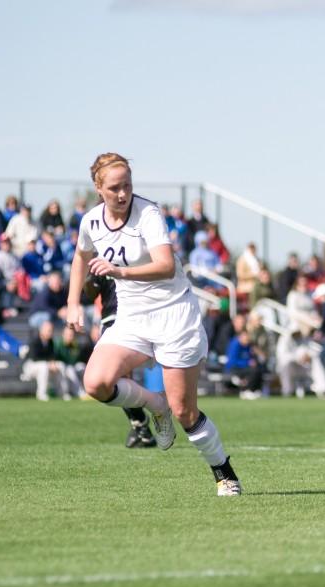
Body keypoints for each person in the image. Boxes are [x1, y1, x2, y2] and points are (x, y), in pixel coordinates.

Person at [66, 152, 242, 495]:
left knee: (185, 411)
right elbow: (79, 257)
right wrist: (72, 303)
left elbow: (165, 265)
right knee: (96, 383)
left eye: (127, 185)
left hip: (174, 314)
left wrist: (120, 272)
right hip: (133, 316)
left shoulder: (148, 213)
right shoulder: (91, 221)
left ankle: (224, 473)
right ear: (98, 189)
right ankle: (153, 404)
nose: (123, 193)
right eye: (115, 187)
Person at [83, 270, 157, 448]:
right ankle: (141, 423)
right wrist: (87, 280)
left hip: (136, 318)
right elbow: (92, 293)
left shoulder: (136, 252)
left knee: (121, 378)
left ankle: (146, 421)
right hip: (110, 318)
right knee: (117, 379)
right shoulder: (100, 255)